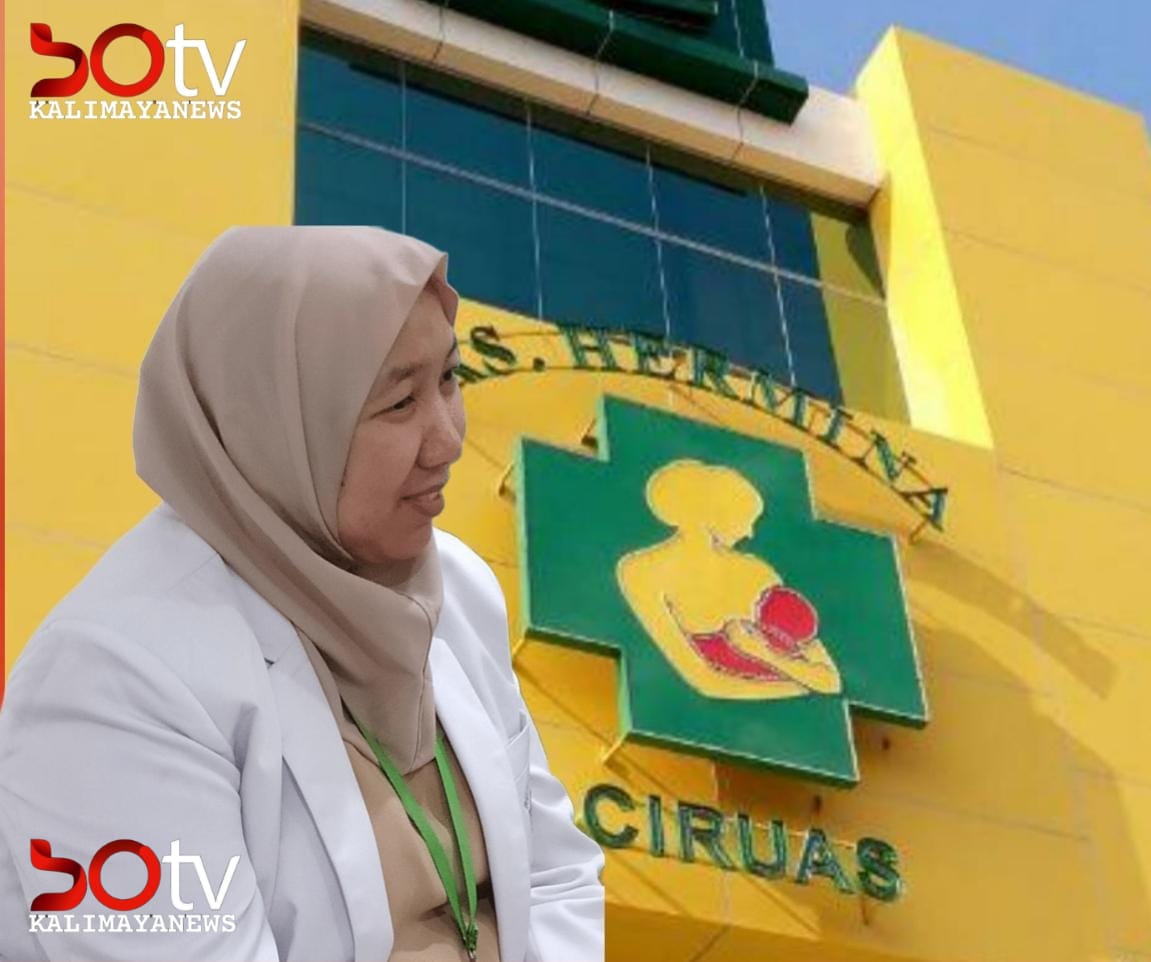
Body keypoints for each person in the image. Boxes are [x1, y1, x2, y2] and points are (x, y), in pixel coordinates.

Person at [0, 225, 606, 961]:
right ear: (276, 425)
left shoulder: (456, 590)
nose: (449, 439)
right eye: (399, 403)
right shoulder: (112, 682)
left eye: (449, 379)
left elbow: (554, 877)